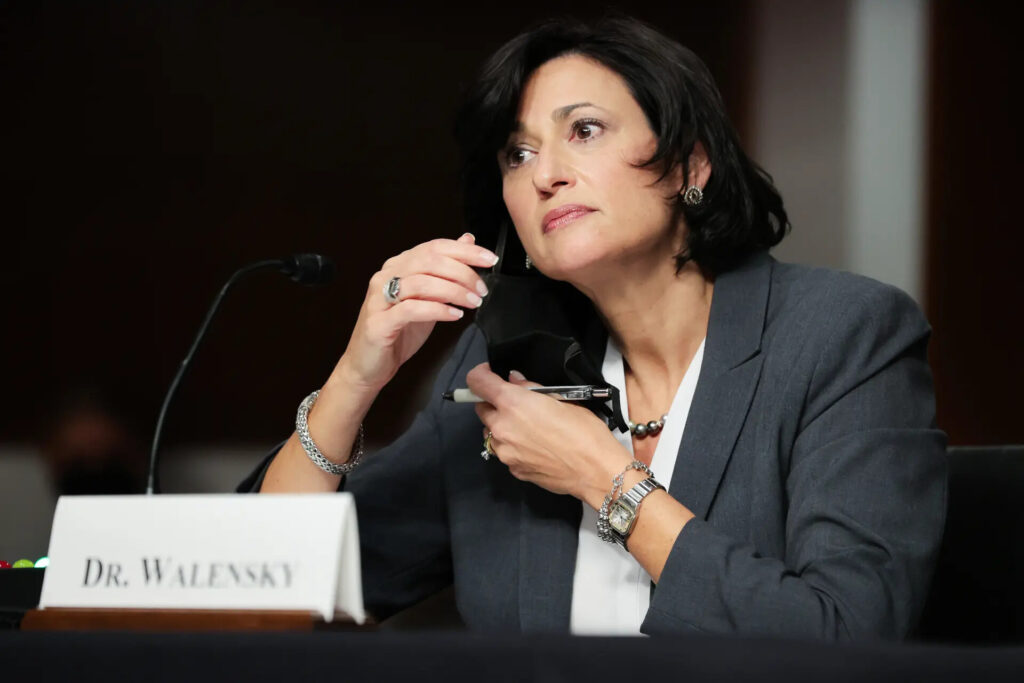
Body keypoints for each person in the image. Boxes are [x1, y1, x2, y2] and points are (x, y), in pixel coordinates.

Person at [239, 15, 946, 640]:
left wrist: (605, 480)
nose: (545, 174)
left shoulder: (843, 335)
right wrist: (354, 381)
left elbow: (849, 633)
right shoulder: (505, 367)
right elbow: (266, 592)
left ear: (690, 164)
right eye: (517, 155)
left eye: (584, 130)